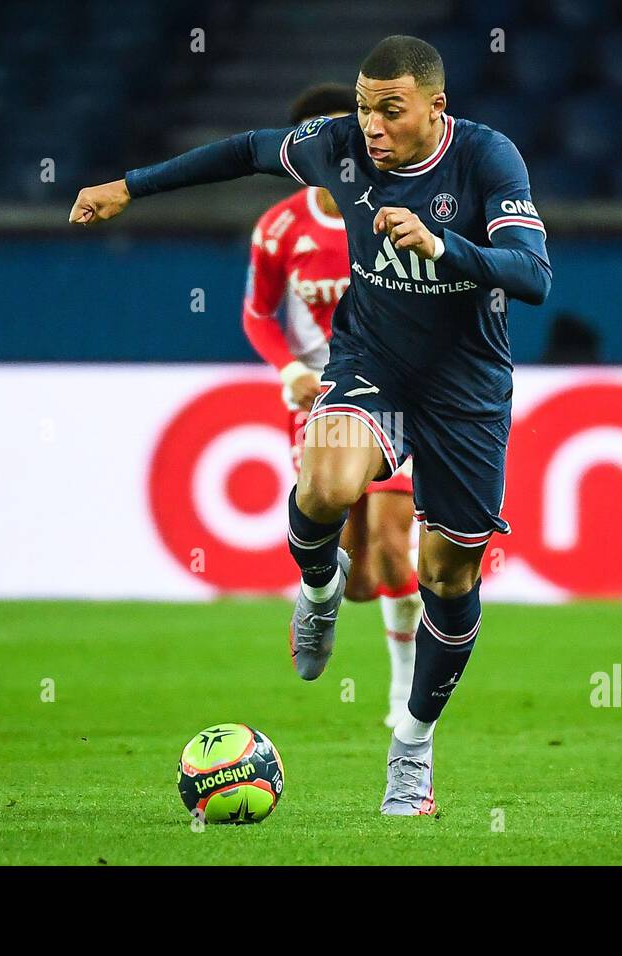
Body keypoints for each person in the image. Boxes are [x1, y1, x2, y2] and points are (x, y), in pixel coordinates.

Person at [70, 36, 550, 815]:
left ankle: (412, 749)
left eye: (390, 110)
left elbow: (533, 275)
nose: (371, 126)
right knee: (326, 482)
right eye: (363, 108)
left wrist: (444, 245)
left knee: (447, 578)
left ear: (436, 107)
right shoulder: (339, 148)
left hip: (466, 390)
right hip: (375, 366)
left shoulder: (490, 160)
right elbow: (248, 150)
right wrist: (130, 185)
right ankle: (320, 588)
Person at [242, 82, 421, 727]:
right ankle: (320, 590)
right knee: (360, 573)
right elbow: (258, 313)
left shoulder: (393, 208)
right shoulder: (280, 227)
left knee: (397, 545)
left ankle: (404, 694)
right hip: (320, 400)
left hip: (393, 396)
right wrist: (288, 367)